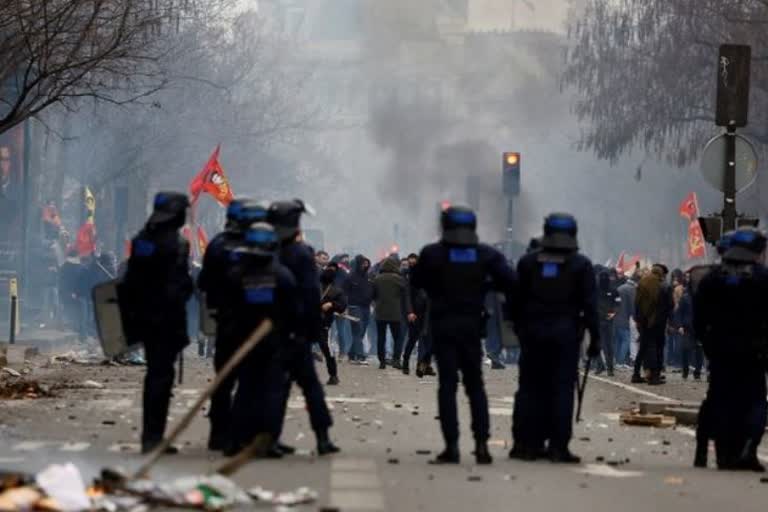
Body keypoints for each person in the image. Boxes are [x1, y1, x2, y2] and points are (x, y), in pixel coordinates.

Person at [412, 205, 517, 465]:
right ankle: (482, 445)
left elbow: (417, 282)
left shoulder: (432, 253)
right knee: (475, 387)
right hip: (471, 327)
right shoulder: (485, 255)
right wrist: (484, 286)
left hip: (443, 326)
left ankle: (452, 447)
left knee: (447, 386)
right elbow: (510, 282)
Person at [510, 213, 599, 463]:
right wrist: (596, 339)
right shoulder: (580, 265)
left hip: (533, 335)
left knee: (529, 389)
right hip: (566, 336)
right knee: (561, 390)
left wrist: (520, 329)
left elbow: (515, 301)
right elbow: (590, 306)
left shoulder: (528, 263)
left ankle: (526, 444)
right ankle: (558, 447)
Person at [120, 192, 193, 454]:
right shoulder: (177, 244)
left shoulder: (142, 239)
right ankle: (153, 437)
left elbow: (131, 280)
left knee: (156, 374)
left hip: (144, 317)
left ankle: (152, 435)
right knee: (162, 376)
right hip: (166, 319)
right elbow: (180, 285)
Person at [269, 199, 339, 456]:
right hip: (296, 331)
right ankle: (322, 438)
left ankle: (270, 438)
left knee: (276, 386)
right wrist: (312, 332)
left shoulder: (265, 250)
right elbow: (311, 295)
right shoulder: (301, 253)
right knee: (310, 386)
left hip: (270, 330)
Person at [693, 228, 768, 471]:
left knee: (720, 398)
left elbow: (699, 318)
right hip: (754, 350)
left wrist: (707, 343)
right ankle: (748, 447)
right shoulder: (762, 278)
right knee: (755, 399)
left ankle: (723, 452)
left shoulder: (712, 278)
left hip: (721, 349)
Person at [198, 199, 269, 451]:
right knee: (251, 380)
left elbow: (203, 283)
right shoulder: (259, 245)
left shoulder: (217, 244)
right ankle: (242, 434)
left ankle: (218, 434)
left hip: (226, 321)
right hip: (254, 323)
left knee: (224, 379)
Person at [223, 223, 299, 455]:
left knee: (246, 389)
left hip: (244, 341)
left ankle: (235, 440)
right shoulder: (282, 275)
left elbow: (227, 307)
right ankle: (266, 441)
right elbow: (292, 311)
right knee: (271, 392)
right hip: (272, 343)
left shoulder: (236, 274)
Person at [633, 264, 672, 384]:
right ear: (662, 274)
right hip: (658, 322)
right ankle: (655, 376)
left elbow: (637, 302)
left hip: (643, 321)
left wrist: (639, 320)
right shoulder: (663, 285)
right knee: (657, 347)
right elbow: (670, 305)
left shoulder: (642, 282)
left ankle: (636, 374)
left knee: (644, 347)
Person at [373, 256, 413, 369]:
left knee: (381, 337)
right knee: (398, 337)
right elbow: (406, 297)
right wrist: (409, 311)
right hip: (395, 313)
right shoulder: (399, 279)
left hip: (380, 312)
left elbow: (373, 295)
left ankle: (382, 361)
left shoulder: (377, 278)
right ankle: (396, 360)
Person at [401, 253, 433, 376]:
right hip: (415, 313)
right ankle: (405, 361)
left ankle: (423, 366)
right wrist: (410, 312)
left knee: (427, 341)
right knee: (413, 340)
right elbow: (407, 296)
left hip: (428, 314)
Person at [319, 262, 347, 385]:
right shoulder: (313, 287)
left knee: (327, 350)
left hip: (324, 324)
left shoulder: (336, 291)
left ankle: (333, 375)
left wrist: (331, 304)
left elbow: (342, 306)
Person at [343, 255, 374, 364]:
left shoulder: (368, 277)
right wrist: (345, 307)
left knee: (361, 332)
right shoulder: (350, 277)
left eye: (367, 263)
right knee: (357, 330)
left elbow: (372, 291)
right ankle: (360, 356)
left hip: (366, 308)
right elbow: (344, 294)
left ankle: (351, 354)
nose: (365, 265)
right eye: (363, 263)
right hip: (354, 307)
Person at [593, 270, 619, 375]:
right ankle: (601, 366)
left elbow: (618, 303)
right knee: (601, 344)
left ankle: (609, 368)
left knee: (608, 345)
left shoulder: (614, 290)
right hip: (599, 320)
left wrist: (614, 313)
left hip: (608, 320)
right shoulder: (594, 291)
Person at [614, 273, 638, 367]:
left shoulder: (620, 287)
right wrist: (636, 317)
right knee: (626, 340)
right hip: (624, 319)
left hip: (616, 318)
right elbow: (632, 306)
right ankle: (620, 361)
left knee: (618, 341)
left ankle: (616, 361)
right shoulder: (631, 290)